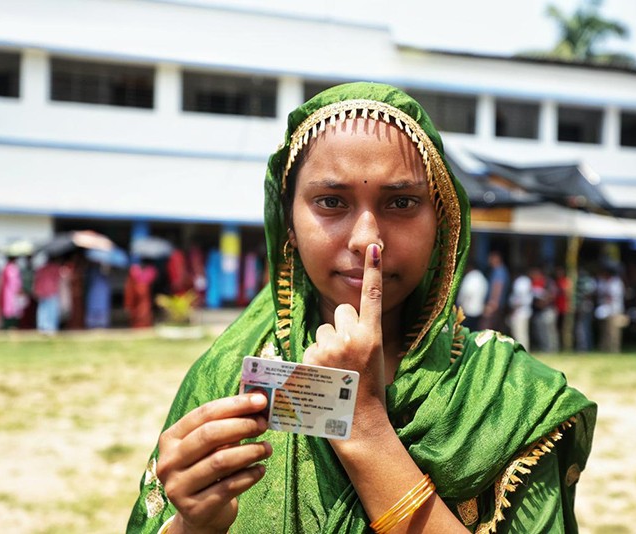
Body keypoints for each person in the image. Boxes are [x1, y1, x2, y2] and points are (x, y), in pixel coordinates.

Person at [127, 83, 595, 533]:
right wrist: (192, 525)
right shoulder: (227, 380)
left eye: (402, 202)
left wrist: (364, 426)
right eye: (331, 202)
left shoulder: (507, 397)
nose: (367, 238)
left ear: (443, 223)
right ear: (289, 223)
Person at [456, 259, 489, 331]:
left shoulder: (470, 277)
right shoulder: (482, 278)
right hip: (478, 311)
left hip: (467, 311)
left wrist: (460, 306)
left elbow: (466, 293)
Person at [480, 250, 508, 332]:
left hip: (494, 304)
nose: (489, 260)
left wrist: (493, 302)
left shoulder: (499, 271)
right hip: (497, 304)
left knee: (487, 326)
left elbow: (498, 286)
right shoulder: (498, 270)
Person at [33, 257, 62, 334]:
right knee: (51, 310)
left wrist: (37, 290)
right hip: (51, 291)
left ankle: (43, 327)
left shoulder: (41, 269)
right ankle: (51, 327)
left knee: (43, 310)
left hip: (43, 291)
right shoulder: (55, 268)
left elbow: (37, 280)